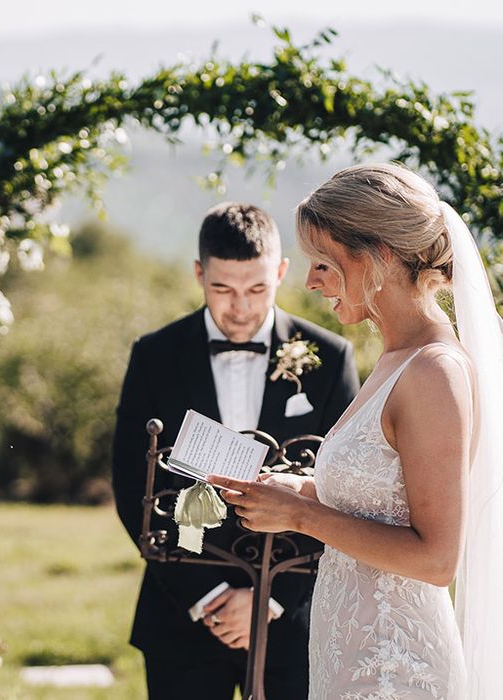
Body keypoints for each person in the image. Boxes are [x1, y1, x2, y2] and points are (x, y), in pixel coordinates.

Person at [211, 162, 503, 698]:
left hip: (396, 668)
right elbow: (389, 500)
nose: (311, 281)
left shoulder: (434, 371)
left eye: (324, 263)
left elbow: (437, 559)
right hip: (350, 652)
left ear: (378, 258)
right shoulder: (396, 359)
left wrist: (302, 514)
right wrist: (302, 490)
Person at [112, 202, 359, 699]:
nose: (240, 308)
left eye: (257, 289)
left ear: (283, 272)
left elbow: (345, 488)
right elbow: (131, 483)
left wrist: (269, 599)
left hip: (295, 616)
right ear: (199, 274)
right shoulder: (155, 355)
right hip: (181, 608)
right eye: (222, 289)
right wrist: (207, 596)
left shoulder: (330, 358)